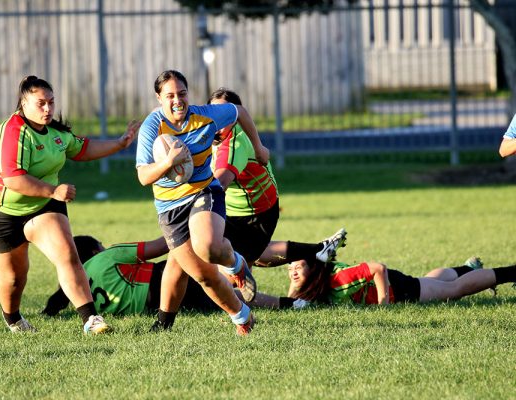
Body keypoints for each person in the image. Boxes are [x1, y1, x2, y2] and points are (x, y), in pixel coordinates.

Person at [0, 75, 139, 334]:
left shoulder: (55, 132)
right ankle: (14, 319)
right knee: (15, 276)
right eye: (41, 103)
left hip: (42, 204)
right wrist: (54, 190)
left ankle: (91, 319)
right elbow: (13, 179)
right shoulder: (14, 130)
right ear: (23, 104)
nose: (48, 109)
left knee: (67, 255)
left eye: (51, 102)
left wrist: (119, 143)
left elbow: (81, 148)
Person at [135, 70, 270, 335]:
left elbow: (239, 111)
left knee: (207, 246)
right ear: (159, 98)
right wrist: (167, 162)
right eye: (170, 95)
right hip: (169, 208)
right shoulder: (151, 127)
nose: (177, 101)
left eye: (182, 94)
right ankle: (242, 316)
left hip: (203, 192)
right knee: (204, 275)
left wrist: (258, 147)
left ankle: (235, 263)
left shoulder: (205, 116)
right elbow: (143, 176)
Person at [208, 88, 346, 269]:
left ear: (235, 117)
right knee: (254, 257)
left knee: (227, 270)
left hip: (252, 216)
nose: (219, 119)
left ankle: (307, 277)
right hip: (239, 211)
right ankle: (319, 251)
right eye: (215, 113)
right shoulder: (214, 134)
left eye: (225, 114)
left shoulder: (235, 143)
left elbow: (221, 182)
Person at [41, 235, 307, 317]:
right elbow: (162, 245)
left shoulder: (71, 287)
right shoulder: (106, 258)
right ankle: (239, 264)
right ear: (94, 250)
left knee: (226, 297)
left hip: (153, 307)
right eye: (100, 245)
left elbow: (55, 305)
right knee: (213, 267)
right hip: (160, 284)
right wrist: (185, 227)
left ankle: (291, 303)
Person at [287, 246, 516, 306]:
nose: (293, 272)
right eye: (289, 269)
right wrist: (293, 285)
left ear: (314, 268)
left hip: (397, 289)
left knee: (454, 291)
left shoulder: (339, 279)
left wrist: (383, 303)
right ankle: (468, 269)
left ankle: (511, 272)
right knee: (431, 281)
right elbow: (296, 299)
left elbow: (378, 268)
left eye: (297, 267)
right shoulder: (315, 282)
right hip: (396, 284)